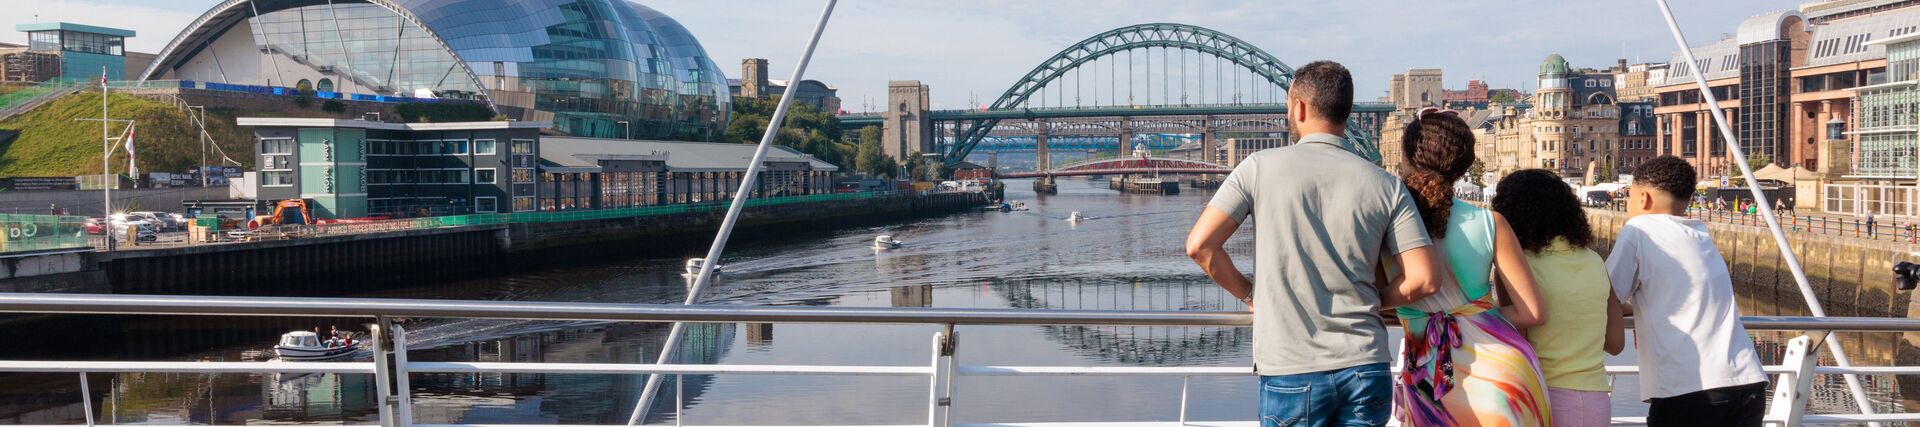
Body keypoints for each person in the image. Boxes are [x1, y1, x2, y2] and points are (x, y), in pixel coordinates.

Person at [1186, 60, 1448, 426]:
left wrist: (1251, 295)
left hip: (1291, 368)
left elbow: (1201, 246)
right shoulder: (1386, 184)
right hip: (1366, 367)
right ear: (1346, 111)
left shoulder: (1257, 167)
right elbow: (1424, 279)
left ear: (1300, 107)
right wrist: (1373, 301)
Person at [1389, 108, 1551, 427]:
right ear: (1463, 167)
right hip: (1505, 380)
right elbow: (1533, 312)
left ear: (1406, 159)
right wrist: (1472, 315)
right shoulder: (1492, 223)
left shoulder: (1386, 226)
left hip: (1429, 381)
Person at [1608, 156, 1768, 426]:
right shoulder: (1699, 233)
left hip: (1690, 388)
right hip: (1747, 381)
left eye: (1629, 198)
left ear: (1643, 198)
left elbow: (1603, 294)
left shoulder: (1639, 230)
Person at [1491, 169, 1627, 427]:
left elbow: (1520, 343)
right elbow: (1615, 343)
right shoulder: (1594, 261)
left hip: (1543, 398)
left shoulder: (1520, 268)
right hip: (1597, 400)